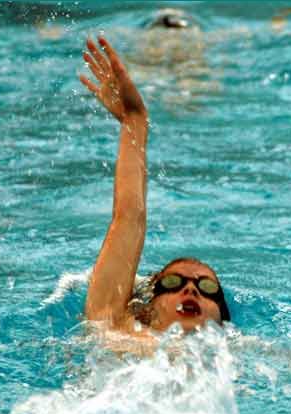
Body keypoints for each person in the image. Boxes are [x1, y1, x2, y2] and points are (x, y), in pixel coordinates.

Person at [79, 36, 230, 342]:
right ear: (145, 309)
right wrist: (135, 122)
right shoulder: (116, 330)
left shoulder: (245, 357)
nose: (190, 289)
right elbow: (128, 217)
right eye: (172, 283)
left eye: (207, 288)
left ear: (223, 319)